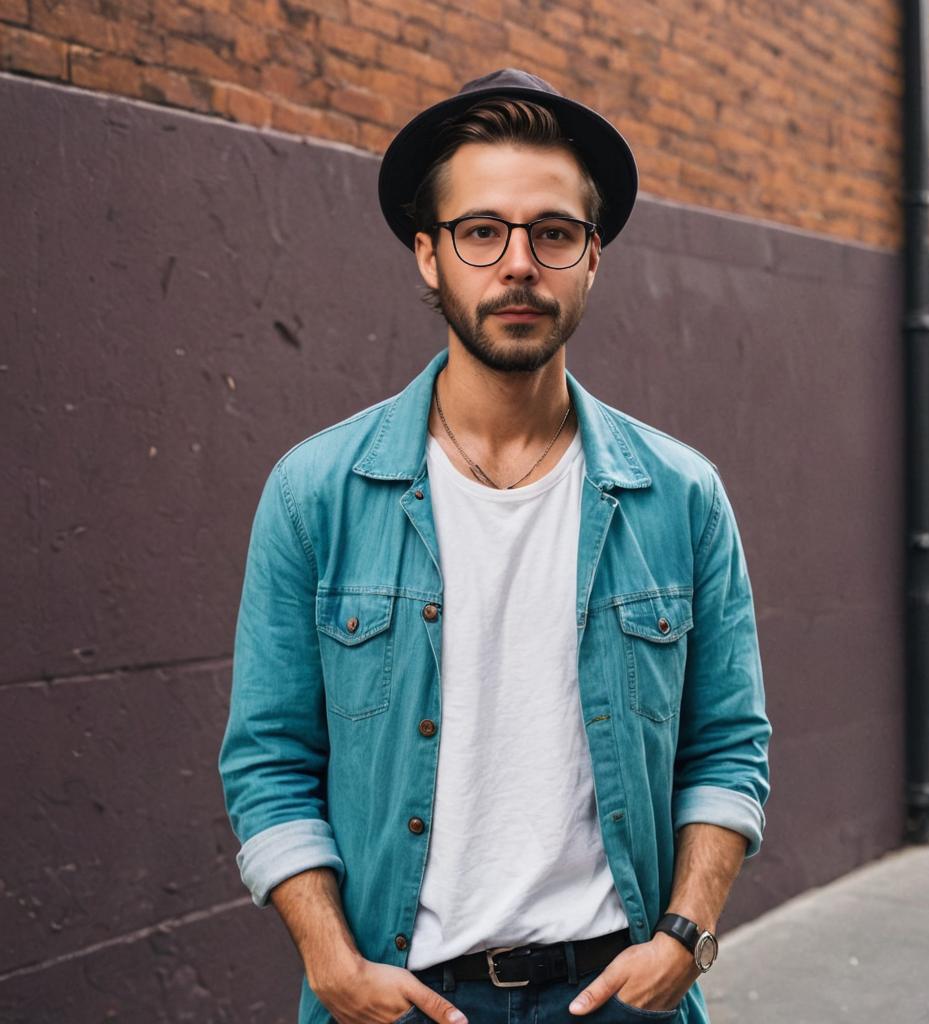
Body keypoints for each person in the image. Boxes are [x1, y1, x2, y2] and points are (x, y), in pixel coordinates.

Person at [219, 68, 771, 1024]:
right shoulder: (316, 492)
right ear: (429, 257)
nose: (519, 264)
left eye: (553, 233)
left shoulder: (680, 496)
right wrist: (331, 960)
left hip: (616, 996)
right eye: (483, 232)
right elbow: (268, 760)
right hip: (398, 999)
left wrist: (687, 933)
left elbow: (728, 746)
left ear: (593, 258)